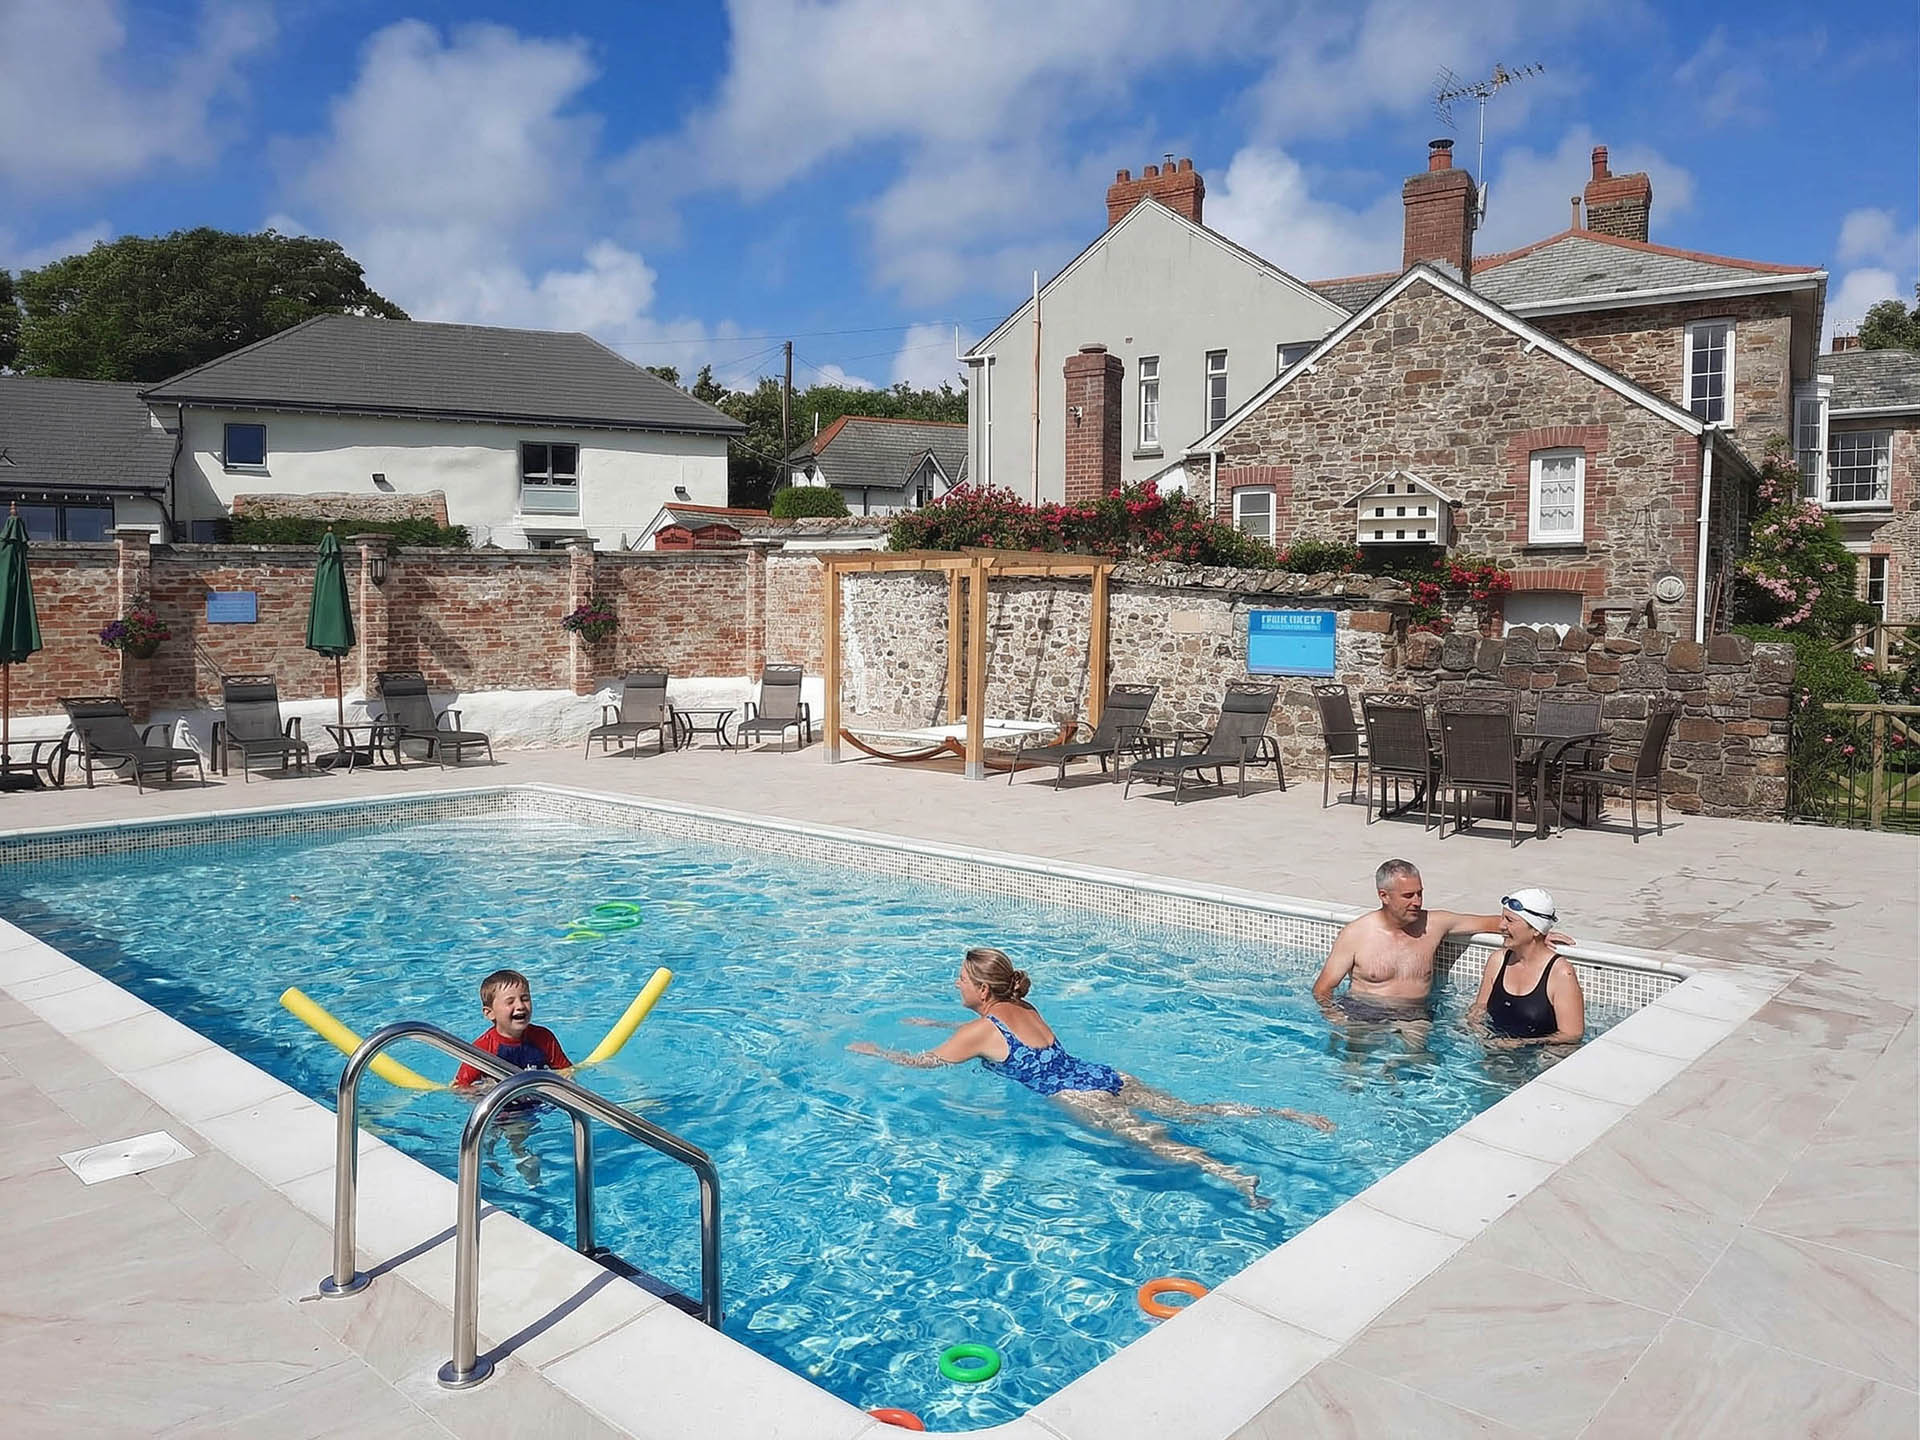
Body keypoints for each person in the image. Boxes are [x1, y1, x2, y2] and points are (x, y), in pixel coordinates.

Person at [850, 947, 1332, 1210]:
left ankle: (1234, 1177)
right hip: (1103, 1076)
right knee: (1194, 1112)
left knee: (1157, 1143)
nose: (954, 984)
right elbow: (989, 1032)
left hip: (1078, 1097)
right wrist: (941, 1026)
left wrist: (877, 1051)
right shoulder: (1020, 1006)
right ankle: (1281, 1113)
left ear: (979, 988)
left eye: (959, 979)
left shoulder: (980, 1030)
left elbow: (927, 1063)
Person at [1312, 859, 1568, 1023]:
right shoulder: (1357, 934)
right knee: (1354, 1071)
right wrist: (1338, 1020)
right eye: (1408, 896)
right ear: (1384, 896)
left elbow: (1487, 923)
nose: (1418, 902)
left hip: (1413, 1016)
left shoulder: (1433, 924)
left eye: (1420, 893)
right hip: (1362, 1013)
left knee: (1419, 1063)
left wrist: (1538, 932)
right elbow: (1323, 990)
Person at [453, 969, 572, 1183]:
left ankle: (499, 1154)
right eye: (510, 1001)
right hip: (502, 1106)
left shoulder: (544, 1038)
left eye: (525, 998)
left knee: (515, 1132)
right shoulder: (482, 1048)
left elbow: (565, 1070)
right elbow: (460, 1086)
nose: (520, 1006)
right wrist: (483, 1093)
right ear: (490, 1013)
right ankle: (524, 1171)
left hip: (535, 1100)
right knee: (511, 1136)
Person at [1467, 889, 1585, 1046]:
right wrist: (1478, 1029)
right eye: (1503, 918)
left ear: (1536, 929)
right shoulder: (1498, 961)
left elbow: (1571, 1035)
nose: (1501, 926)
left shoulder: (1561, 974)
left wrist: (1521, 1043)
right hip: (1494, 1051)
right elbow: (1480, 1007)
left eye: (1510, 920)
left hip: (1539, 1057)